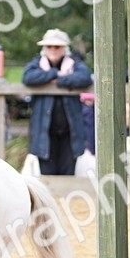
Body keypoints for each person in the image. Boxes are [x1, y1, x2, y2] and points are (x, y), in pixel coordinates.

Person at [21, 29, 94, 175]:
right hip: (45, 134)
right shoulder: (37, 63)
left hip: (69, 133)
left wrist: (58, 80)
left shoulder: (74, 63)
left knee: (68, 175)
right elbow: (28, 77)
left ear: (64, 48)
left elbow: (84, 77)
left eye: (57, 46)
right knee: (47, 176)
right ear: (44, 48)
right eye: (49, 46)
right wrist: (55, 73)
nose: (53, 49)